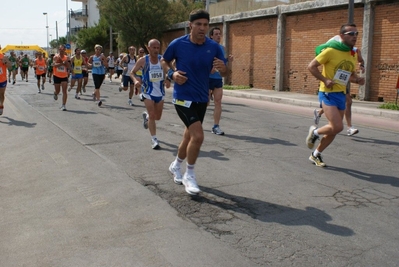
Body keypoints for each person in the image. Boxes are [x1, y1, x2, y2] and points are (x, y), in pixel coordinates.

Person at [162, 9, 228, 195]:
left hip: (201, 97)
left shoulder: (214, 47)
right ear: (190, 25)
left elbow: (224, 72)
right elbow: (165, 61)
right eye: (198, 24)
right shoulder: (178, 44)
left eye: (205, 25)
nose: (202, 28)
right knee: (198, 136)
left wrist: (224, 69)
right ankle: (189, 175)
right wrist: (172, 74)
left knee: (189, 137)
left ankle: (176, 165)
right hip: (182, 97)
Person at [306, 23, 365, 167]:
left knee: (333, 130)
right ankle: (315, 132)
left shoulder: (353, 54)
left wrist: (357, 80)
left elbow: (348, 75)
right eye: (351, 33)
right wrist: (325, 79)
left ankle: (316, 154)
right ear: (341, 36)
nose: (355, 36)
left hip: (341, 94)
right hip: (327, 93)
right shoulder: (330, 51)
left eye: (356, 33)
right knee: (337, 127)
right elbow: (311, 66)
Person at [313, 35, 365, 136]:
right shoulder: (332, 52)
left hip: (342, 82)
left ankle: (347, 126)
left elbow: (361, 60)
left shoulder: (355, 51)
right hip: (330, 85)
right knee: (345, 102)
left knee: (348, 101)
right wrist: (325, 80)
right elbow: (312, 66)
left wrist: (361, 66)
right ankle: (346, 127)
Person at [131, 39, 171, 150]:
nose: (156, 50)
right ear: (148, 48)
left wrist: (168, 79)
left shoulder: (162, 60)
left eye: (158, 48)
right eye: (154, 48)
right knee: (153, 115)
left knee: (157, 117)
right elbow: (132, 72)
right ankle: (154, 139)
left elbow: (170, 70)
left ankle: (146, 118)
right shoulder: (143, 60)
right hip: (147, 92)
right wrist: (135, 81)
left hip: (160, 92)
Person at [208, 27, 234, 135]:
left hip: (218, 79)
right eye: (216, 34)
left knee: (218, 102)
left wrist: (228, 60)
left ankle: (216, 126)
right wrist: (210, 69)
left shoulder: (222, 48)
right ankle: (196, 124)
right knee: (204, 102)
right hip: (207, 79)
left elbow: (223, 64)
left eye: (220, 34)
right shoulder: (207, 47)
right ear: (211, 36)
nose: (219, 36)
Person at [52, 45, 71, 111]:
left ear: (65, 50)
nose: (62, 50)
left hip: (64, 76)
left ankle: (63, 105)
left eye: (63, 49)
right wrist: (62, 63)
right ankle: (55, 93)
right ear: (59, 49)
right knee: (58, 90)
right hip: (56, 75)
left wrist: (65, 63)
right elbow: (54, 65)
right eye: (60, 49)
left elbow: (68, 66)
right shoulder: (55, 57)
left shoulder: (67, 57)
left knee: (64, 91)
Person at [0, 49, 12, 115]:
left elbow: (10, 66)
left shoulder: (3, 57)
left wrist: (6, 62)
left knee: (1, 94)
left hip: (2, 79)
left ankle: (1, 105)